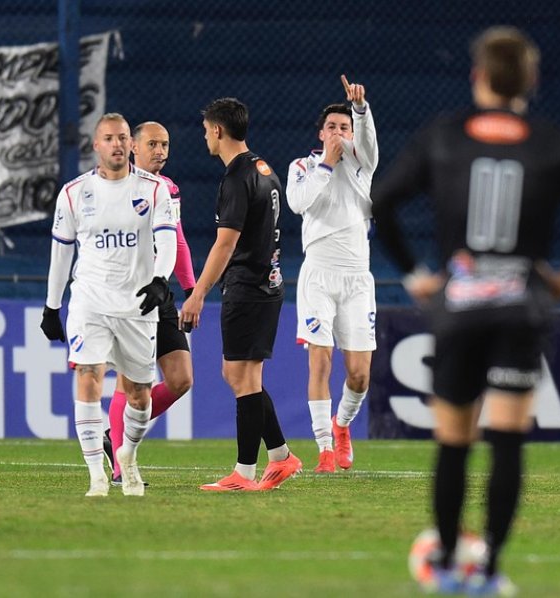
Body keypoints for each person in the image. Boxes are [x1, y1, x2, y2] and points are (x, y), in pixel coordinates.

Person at [371, 27, 560, 595]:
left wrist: (418, 276)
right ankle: (489, 571)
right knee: (507, 440)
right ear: (531, 81)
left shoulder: (444, 136)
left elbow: (384, 205)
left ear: (477, 76)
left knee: (453, 442)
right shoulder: (553, 143)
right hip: (522, 308)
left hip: (459, 307)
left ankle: (442, 562)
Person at [40, 113, 177, 497]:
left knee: (138, 393)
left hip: (137, 306)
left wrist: (160, 280)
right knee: (88, 375)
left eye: (122, 138)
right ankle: (96, 475)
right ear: (96, 145)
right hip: (90, 302)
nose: (117, 144)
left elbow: (167, 240)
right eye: (108, 139)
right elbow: (61, 253)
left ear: (131, 145)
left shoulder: (153, 190)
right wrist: (53, 306)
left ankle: (127, 457)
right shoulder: (73, 193)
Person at [180, 97, 302, 491]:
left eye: (206, 131)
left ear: (217, 130)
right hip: (270, 282)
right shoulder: (265, 169)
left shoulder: (236, 177)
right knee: (242, 375)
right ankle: (281, 457)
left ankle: (244, 472)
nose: (205, 137)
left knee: (240, 376)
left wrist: (198, 294)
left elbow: (224, 245)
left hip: (248, 286)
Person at [286, 75, 378, 473]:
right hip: (319, 274)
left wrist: (360, 109)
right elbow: (297, 203)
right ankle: (324, 448)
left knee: (358, 376)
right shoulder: (303, 167)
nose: (339, 132)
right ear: (321, 132)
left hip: (357, 278)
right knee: (320, 362)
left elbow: (369, 140)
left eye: (345, 127)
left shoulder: (363, 163)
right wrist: (325, 163)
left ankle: (342, 426)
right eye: (333, 127)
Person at [104, 121, 196, 485]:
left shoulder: (168, 189)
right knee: (127, 384)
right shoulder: (114, 186)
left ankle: (117, 437)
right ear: (133, 149)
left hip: (162, 295)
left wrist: (192, 290)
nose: (160, 151)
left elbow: (180, 240)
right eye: (153, 144)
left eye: (165, 145)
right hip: (128, 296)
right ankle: (118, 462)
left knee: (180, 379)